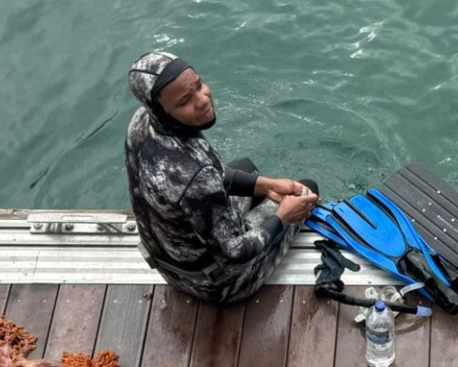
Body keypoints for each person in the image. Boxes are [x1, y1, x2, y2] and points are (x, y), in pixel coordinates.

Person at [126, 51, 317, 304]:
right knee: (306, 192)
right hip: (219, 283)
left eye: (199, 85)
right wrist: (283, 217)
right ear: (162, 111)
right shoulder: (197, 177)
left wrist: (266, 185)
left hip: (171, 261)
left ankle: (264, 199)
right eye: (185, 101)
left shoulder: (141, 123)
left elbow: (200, 178)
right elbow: (235, 253)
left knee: (246, 168)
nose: (203, 99)